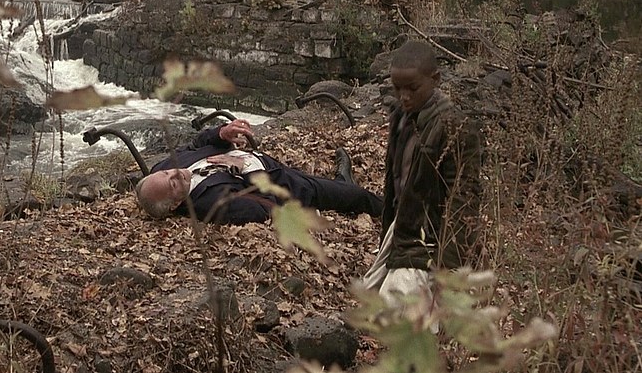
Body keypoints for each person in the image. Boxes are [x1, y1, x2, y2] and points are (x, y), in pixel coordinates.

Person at [360, 40, 482, 314]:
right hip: (401, 231)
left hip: (428, 241)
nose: (404, 96)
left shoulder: (455, 128)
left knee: (397, 314)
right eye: (397, 88)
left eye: (412, 88)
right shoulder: (401, 118)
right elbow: (395, 187)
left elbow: (463, 201)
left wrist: (448, 267)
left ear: (435, 80)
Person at [135, 119, 383, 224]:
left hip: (271, 162)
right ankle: (390, 210)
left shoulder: (161, 169)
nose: (174, 173)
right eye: (173, 184)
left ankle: (342, 181)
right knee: (358, 197)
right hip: (288, 185)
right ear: (175, 205)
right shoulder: (212, 204)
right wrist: (245, 169)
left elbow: (195, 145)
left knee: (336, 189)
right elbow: (265, 209)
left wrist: (221, 133)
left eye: (166, 173)